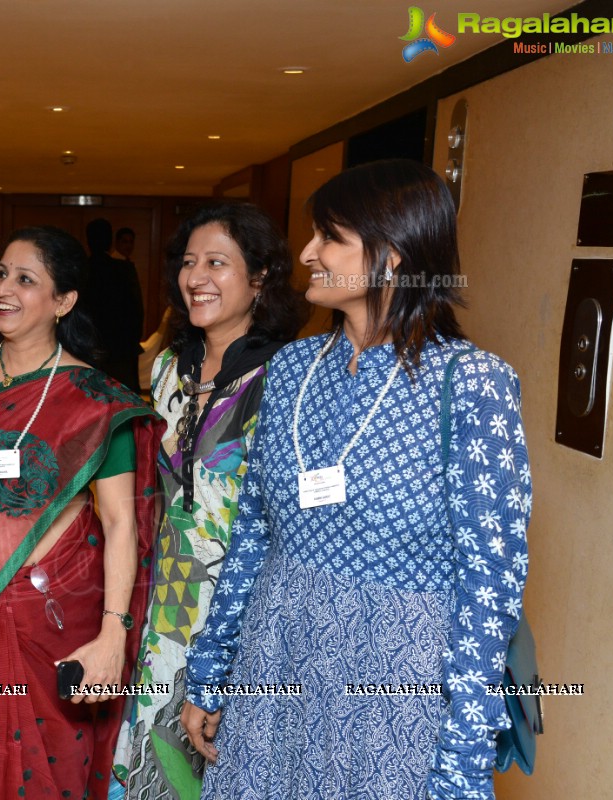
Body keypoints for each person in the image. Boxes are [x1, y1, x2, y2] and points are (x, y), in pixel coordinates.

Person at [181, 159, 532, 800]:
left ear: (392, 255)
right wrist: (209, 672)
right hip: (274, 668)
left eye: (330, 237)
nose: (308, 252)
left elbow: (492, 585)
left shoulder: (471, 384)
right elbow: (255, 532)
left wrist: (462, 762)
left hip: (392, 690)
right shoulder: (288, 368)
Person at [0, 225, 164, 800]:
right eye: (0, 274)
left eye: (25, 279)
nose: (4, 289)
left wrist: (114, 634)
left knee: (49, 763)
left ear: (63, 301)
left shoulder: (96, 401)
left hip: (54, 611)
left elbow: (119, 524)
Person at [112, 204, 304, 798]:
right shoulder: (169, 368)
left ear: (262, 277)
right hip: (166, 598)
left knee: (227, 765)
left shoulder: (287, 375)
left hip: (245, 604)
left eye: (217, 263)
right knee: (156, 762)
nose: (197, 276)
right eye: (189, 263)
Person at [82, 218, 145, 391]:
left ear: (88, 241)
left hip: (89, 348)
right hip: (121, 349)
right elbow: (137, 310)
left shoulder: (80, 270)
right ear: (111, 242)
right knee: (123, 401)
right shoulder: (124, 269)